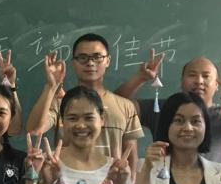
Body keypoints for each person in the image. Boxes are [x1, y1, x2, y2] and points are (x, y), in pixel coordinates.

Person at [116, 51, 221, 156]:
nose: (199, 81)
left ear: (217, 85)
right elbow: (115, 106)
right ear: (181, 81)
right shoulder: (162, 108)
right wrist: (140, 78)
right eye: (192, 75)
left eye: (206, 76)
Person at [25, 34, 142, 174]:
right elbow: (34, 130)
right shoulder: (62, 102)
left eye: (97, 57)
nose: (90, 63)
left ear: (108, 61)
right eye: (82, 57)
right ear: (74, 62)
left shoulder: (126, 106)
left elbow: (131, 156)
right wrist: (51, 86)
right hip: (66, 183)